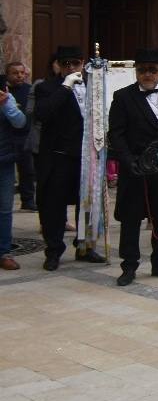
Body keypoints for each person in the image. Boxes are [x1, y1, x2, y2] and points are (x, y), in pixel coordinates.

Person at [106, 48, 158, 286]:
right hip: (134, 167)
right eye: (142, 70)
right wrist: (129, 161)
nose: (148, 74)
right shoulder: (123, 97)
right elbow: (116, 135)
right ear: (136, 71)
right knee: (131, 218)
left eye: (153, 70)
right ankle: (129, 266)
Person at [35, 45, 106, 269]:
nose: (71, 68)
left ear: (82, 63)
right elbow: (43, 114)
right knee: (53, 206)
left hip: (86, 156)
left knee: (87, 202)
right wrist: (65, 88)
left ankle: (84, 246)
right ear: (58, 65)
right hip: (58, 156)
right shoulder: (47, 88)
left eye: (75, 63)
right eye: (65, 64)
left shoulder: (94, 87)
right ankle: (53, 250)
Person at [0, 71, 30, 270]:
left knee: (4, 208)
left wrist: (5, 104)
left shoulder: (6, 96)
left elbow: (20, 122)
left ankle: (3, 252)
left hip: (4, 159)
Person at [5, 62, 35, 212]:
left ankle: (28, 200)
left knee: (27, 170)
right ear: (7, 75)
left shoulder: (29, 90)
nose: (19, 76)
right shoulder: (4, 91)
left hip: (24, 136)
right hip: (8, 137)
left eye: (22, 73)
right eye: (15, 73)